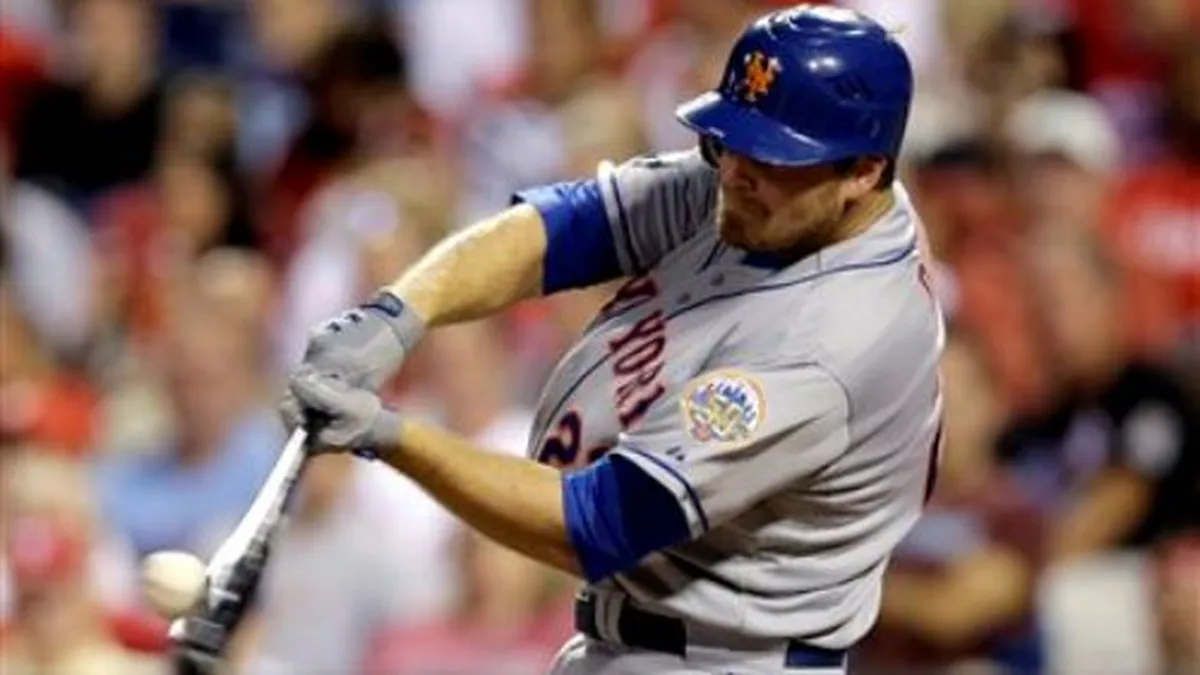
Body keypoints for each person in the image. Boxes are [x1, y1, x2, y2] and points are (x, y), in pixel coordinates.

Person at [280, 5, 944, 674]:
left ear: (864, 172)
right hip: (634, 640)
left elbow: (596, 525)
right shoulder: (783, 201)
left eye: (770, 155)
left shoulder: (835, 339)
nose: (733, 173)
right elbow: (571, 226)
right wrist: (400, 311)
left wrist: (388, 435)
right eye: (730, 142)